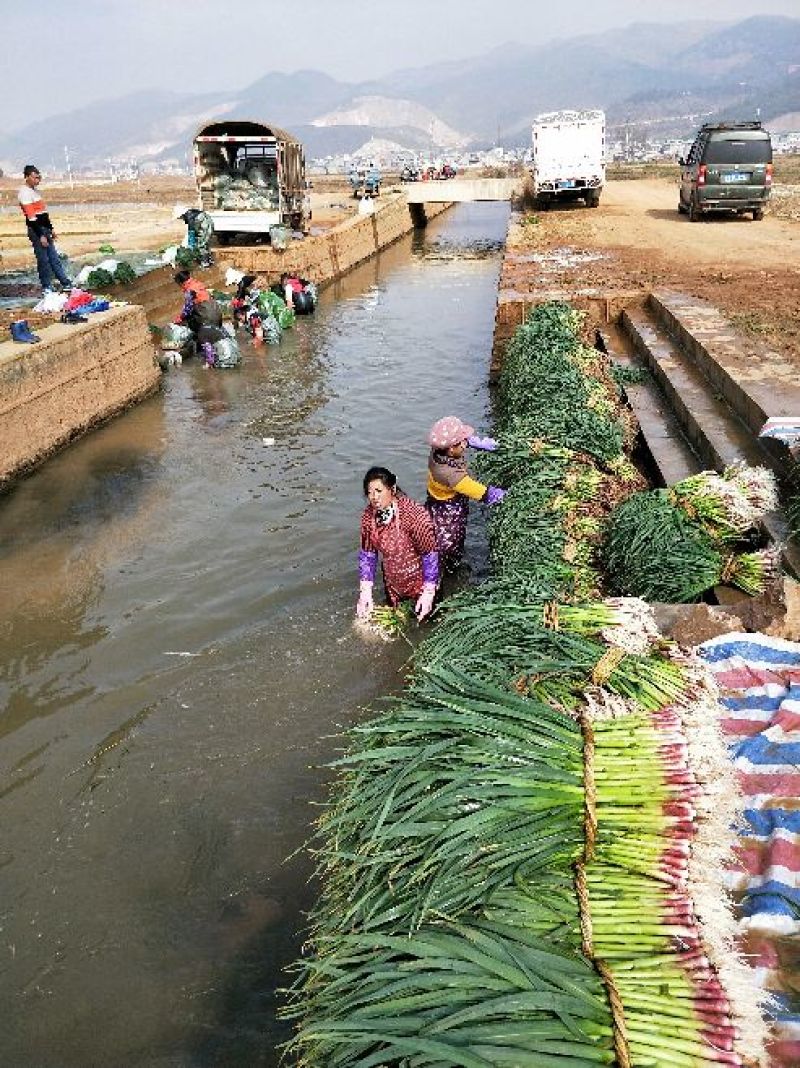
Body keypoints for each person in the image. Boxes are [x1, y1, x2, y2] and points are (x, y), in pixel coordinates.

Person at [357, 467, 439, 622]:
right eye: (369, 492)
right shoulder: (369, 517)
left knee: (427, 623)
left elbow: (429, 554)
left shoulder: (414, 514)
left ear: (392, 489)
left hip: (421, 581)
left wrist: (429, 591)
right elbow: (368, 554)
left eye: (378, 491)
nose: (374, 497)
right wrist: (365, 590)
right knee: (396, 622)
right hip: (393, 583)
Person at [425, 416, 506, 573]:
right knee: (449, 542)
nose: (465, 444)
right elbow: (482, 493)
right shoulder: (449, 474)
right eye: (462, 442)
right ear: (451, 449)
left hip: (434, 499)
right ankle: (448, 569)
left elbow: (460, 441)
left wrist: (476, 442)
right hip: (448, 510)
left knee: (433, 529)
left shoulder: (438, 451)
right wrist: (504, 495)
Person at [18, 165, 73, 294]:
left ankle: (65, 283)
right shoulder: (24, 193)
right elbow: (31, 218)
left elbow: (43, 213)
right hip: (37, 231)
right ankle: (46, 286)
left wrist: (51, 229)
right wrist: (41, 235)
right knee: (44, 260)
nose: (38, 180)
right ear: (27, 177)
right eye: (35, 177)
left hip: (45, 229)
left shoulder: (35, 191)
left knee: (54, 258)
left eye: (39, 177)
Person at [173, 270, 225, 366]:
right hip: (217, 315)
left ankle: (208, 360)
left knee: (196, 328)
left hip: (206, 317)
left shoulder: (190, 290)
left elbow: (188, 308)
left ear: (181, 283)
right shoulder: (198, 284)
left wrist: (180, 318)